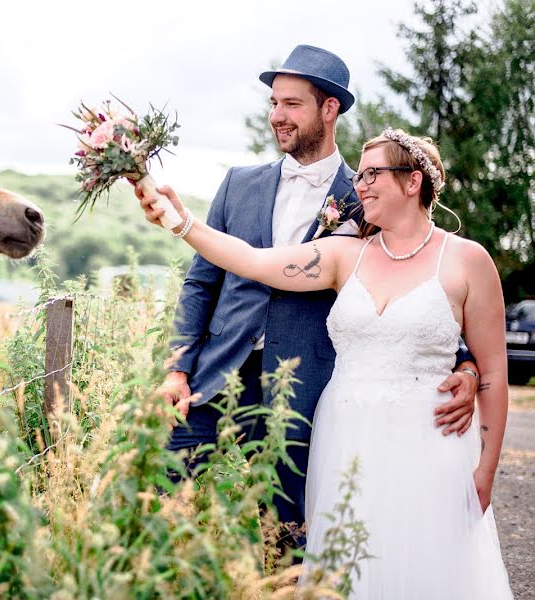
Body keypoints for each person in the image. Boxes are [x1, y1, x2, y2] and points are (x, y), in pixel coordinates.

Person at [139, 128, 513, 597]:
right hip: (345, 438)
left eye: (374, 173)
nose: (361, 184)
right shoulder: (344, 256)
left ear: (413, 181)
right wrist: (183, 223)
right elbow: (253, 261)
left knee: (424, 564)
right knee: (345, 564)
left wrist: (486, 469)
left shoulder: (467, 260)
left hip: (431, 444)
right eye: (362, 175)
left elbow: (493, 372)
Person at [136, 44, 478, 542]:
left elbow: (414, 282)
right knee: (157, 503)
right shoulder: (238, 184)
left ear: (329, 108)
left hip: (304, 390)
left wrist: (465, 364)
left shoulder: (366, 193)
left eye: (291, 104)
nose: (278, 116)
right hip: (214, 376)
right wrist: (176, 368)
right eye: (273, 103)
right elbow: (201, 282)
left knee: (287, 536)